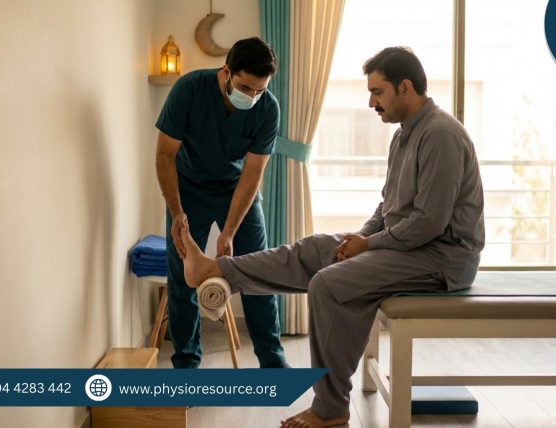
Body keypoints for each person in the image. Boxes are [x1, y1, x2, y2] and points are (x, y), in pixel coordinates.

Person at [178, 46, 485, 428]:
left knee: (328, 283)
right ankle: (219, 269)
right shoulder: (404, 136)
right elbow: (388, 208)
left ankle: (331, 407)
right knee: (319, 248)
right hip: (408, 247)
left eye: (378, 92)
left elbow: (429, 223)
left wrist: (368, 246)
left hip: (441, 259)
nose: (371, 102)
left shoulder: (440, 135)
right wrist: (357, 238)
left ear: (405, 87)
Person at [154, 37, 289, 369]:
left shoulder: (268, 108)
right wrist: (177, 214)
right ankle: (186, 364)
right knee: (183, 276)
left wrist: (228, 232)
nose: (252, 97)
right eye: (245, 87)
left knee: (258, 271)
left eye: (259, 90)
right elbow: (164, 155)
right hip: (188, 189)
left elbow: (253, 172)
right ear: (226, 71)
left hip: (235, 188)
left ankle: (272, 359)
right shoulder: (189, 90)